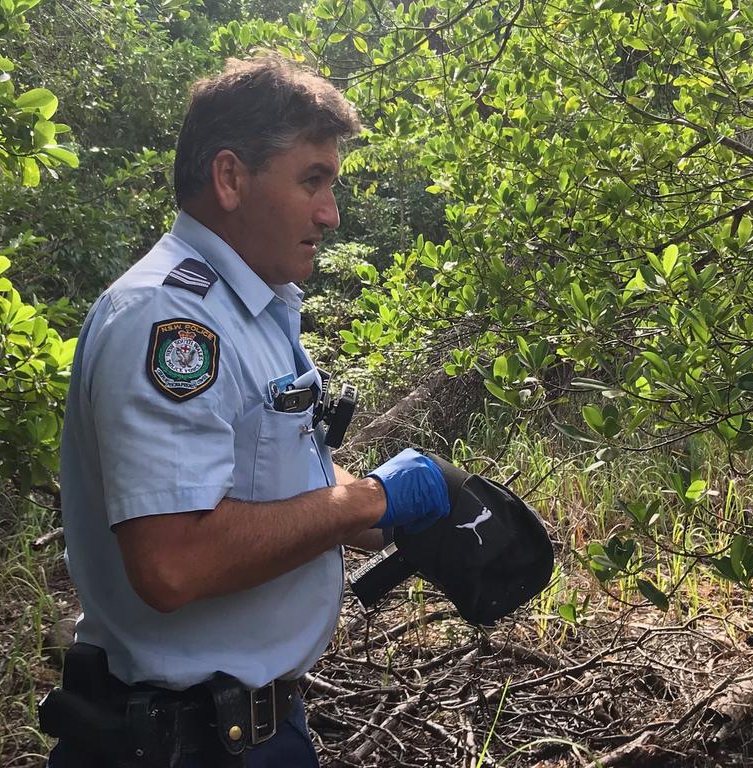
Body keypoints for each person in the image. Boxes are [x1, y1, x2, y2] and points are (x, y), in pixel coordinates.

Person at [49, 54, 450, 767]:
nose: (330, 213)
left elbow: (269, 473)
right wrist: (364, 500)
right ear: (230, 178)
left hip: (254, 728)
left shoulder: (255, 312)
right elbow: (172, 562)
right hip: (177, 743)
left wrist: (385, 514)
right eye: (312, 181)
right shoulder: (168, 322)